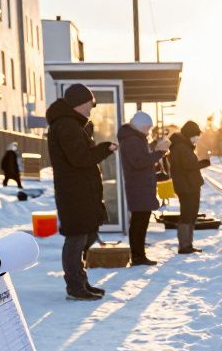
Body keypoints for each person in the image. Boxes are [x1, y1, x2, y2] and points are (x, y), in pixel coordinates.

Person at [47, 83, 117, 301]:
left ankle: (80, 281)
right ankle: (75, 286)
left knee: (88, 234)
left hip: (81, 192)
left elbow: (81, 155)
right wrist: (105, 149)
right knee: (76, 239)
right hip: (74, 193)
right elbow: (80, 158)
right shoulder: (66, 125)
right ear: (80, 103)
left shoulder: (73, 124)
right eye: (90, 103)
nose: (92, 108)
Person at [118, 111, 170, 265]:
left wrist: (155, 147)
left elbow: (141, 157)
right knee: (139, 224)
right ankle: (138, 256)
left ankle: (139, 255)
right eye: (147, 128)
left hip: (140, 186)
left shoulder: (135, 139)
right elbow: (139, 162)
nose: (148, 131)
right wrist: (159, 152)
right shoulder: (133, 140)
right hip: (138, 187)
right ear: (140, 126)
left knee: (140, 223)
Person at [169, 120, 210, 254]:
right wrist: (203, 163)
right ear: (189, 134)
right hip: (187, 186)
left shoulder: (182, 145)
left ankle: (187, 244)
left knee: (190, 214)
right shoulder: (181, 146)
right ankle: (184, 246)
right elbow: (187, 166)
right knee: (187, 214)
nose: (197, 138)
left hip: (188, 185)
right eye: (196, 135)